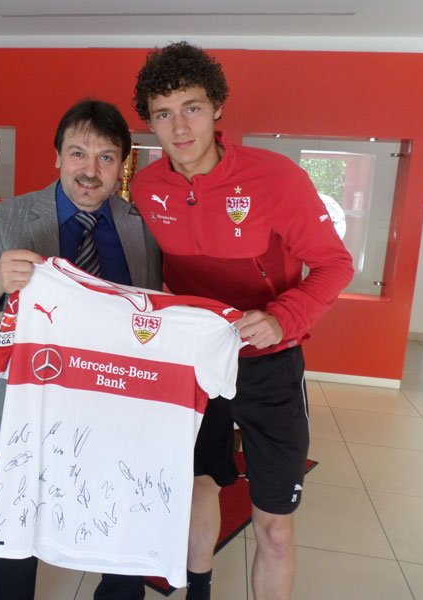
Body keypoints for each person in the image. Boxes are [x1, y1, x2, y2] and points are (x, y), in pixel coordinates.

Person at [131, 42, 355, 600]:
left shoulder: (274, 178)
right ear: (150, 123)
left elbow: (335, 263)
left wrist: (283, 317)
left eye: (192, 108)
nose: (180, 127)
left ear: (217, 108)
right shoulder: (147, 188)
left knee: (274, 525)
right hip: (196, 364)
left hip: (269, 365)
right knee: (199, 489)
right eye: (163, 113)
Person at [0, 98, 162, 600]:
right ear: (57, 157)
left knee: (121, 520)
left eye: (106, 157)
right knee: (19, 529)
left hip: (117, 407)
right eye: (78, 154)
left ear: (122, 165)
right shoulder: (9, 218)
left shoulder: (143, 226)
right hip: (32, 405)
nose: (90, 171)